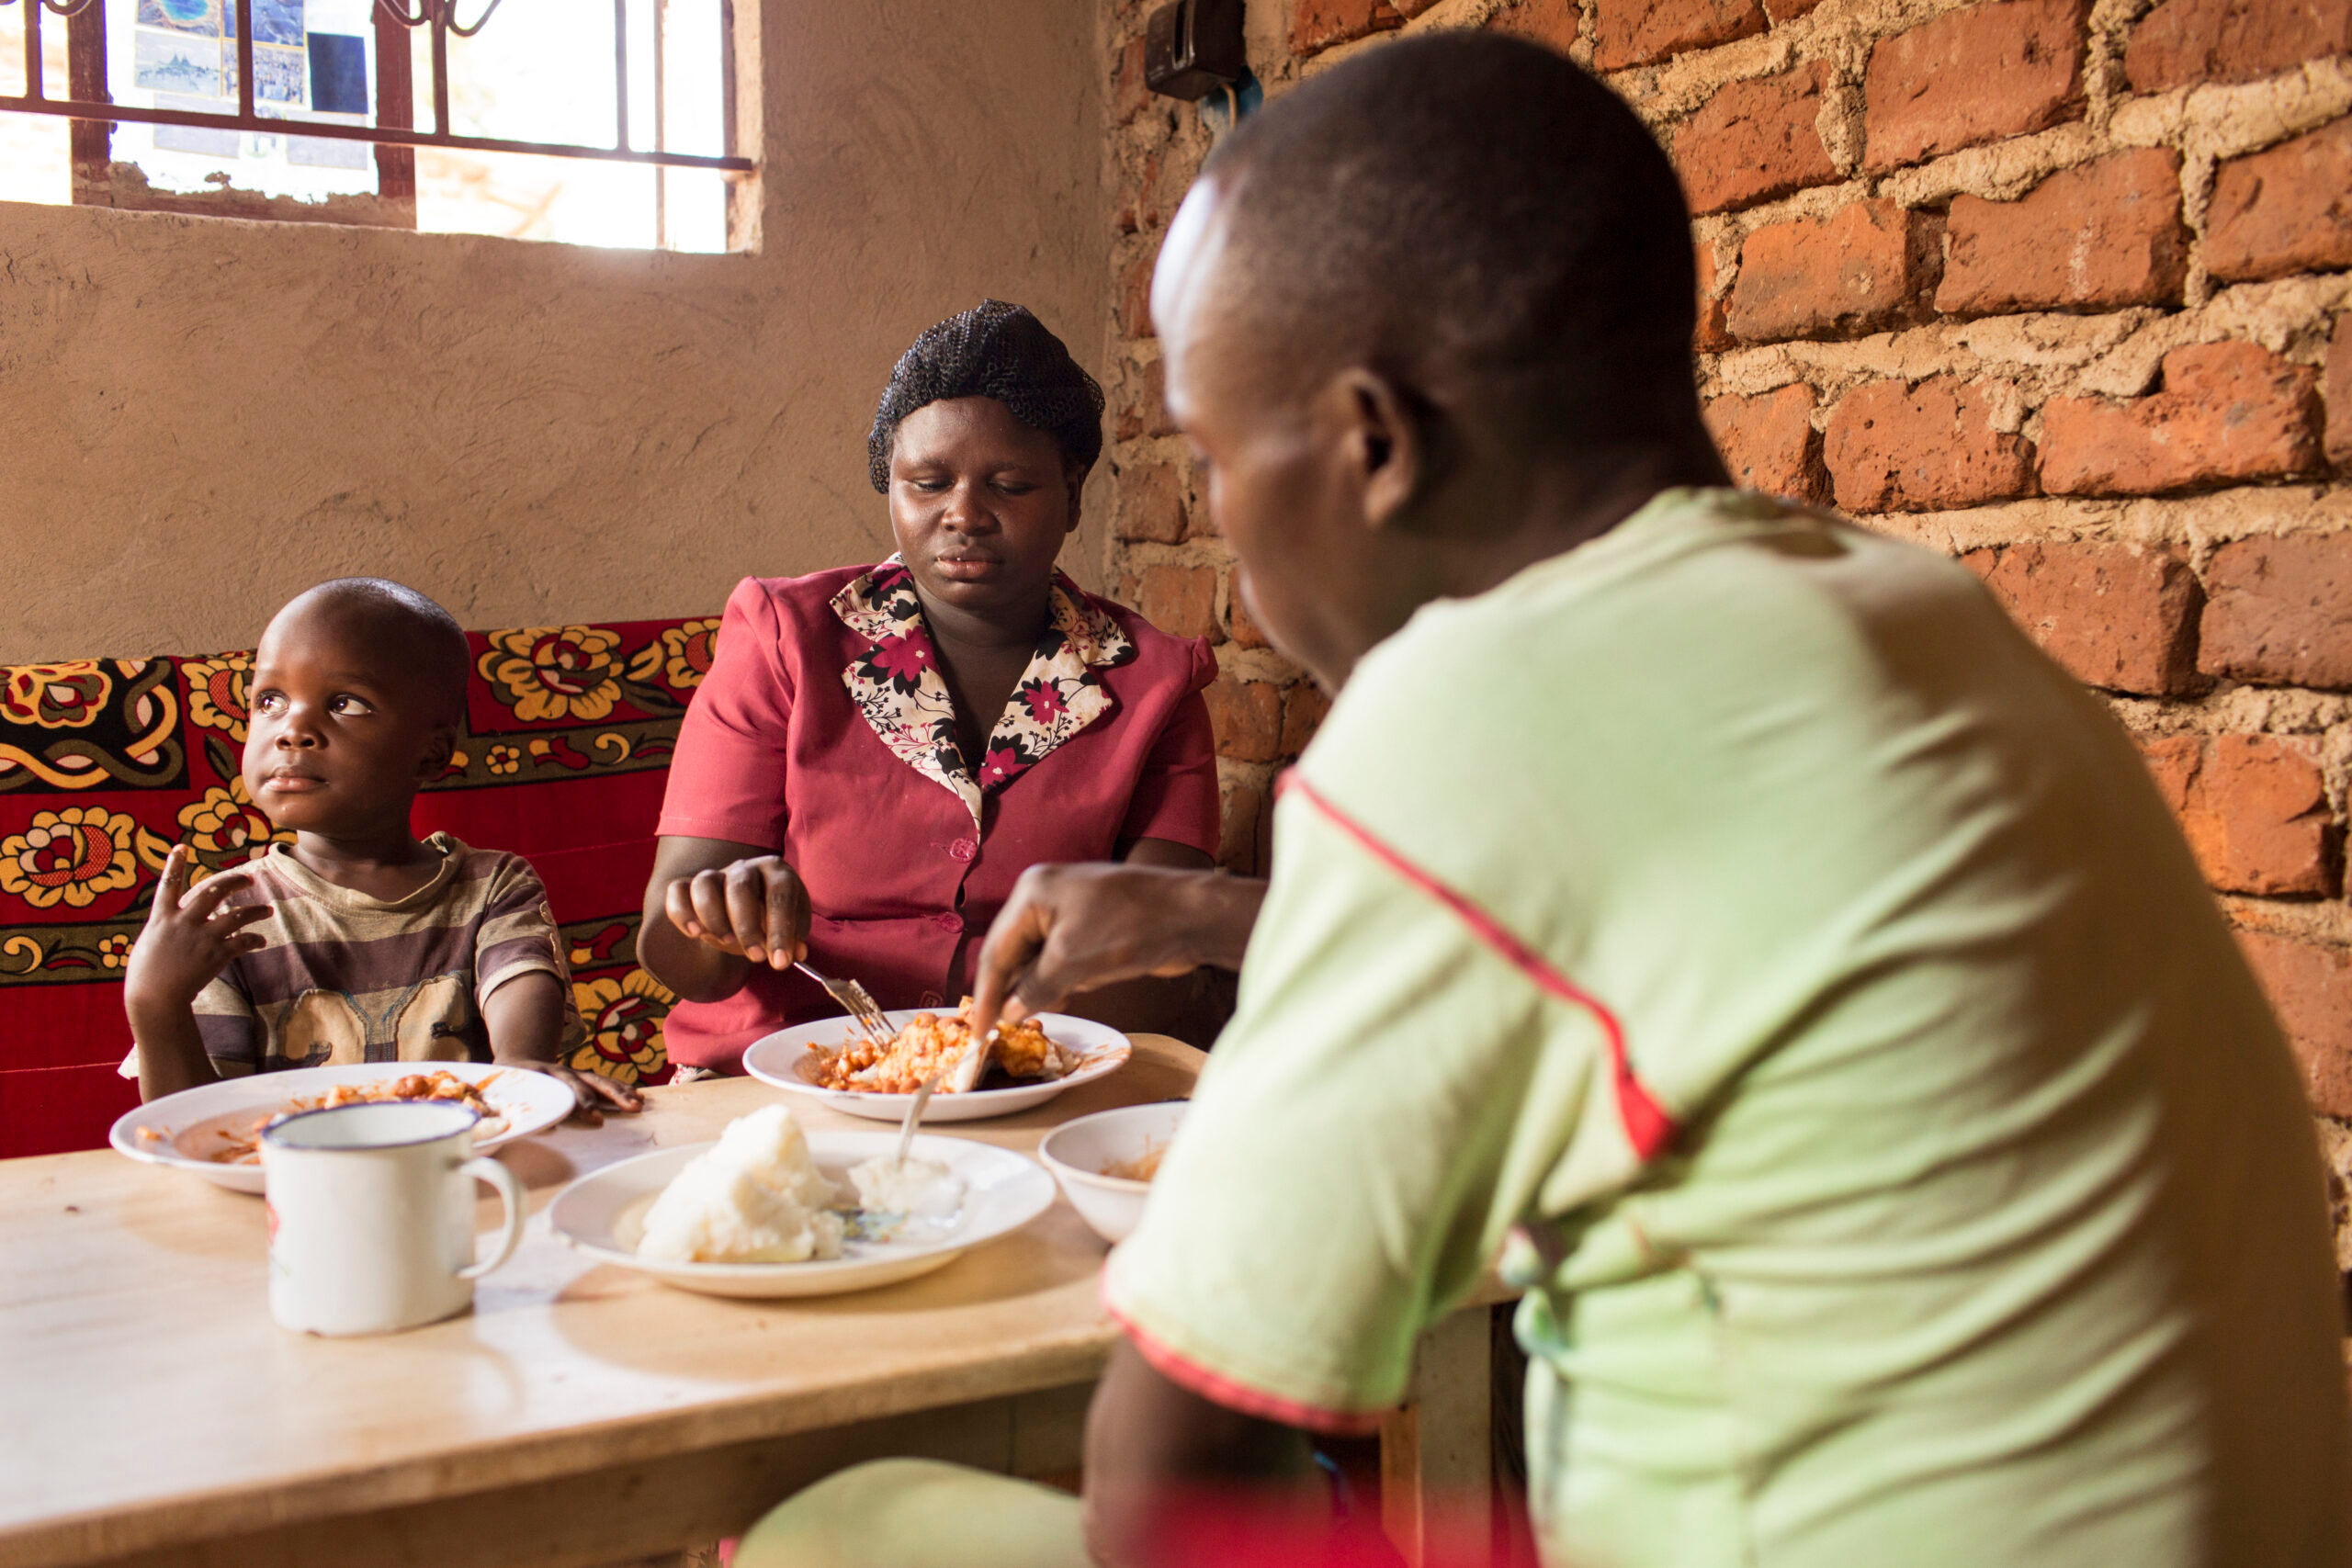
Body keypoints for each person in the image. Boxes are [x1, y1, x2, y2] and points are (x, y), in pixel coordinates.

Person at [739, 33, 2351, 1568]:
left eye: (1222, 456)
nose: (1224, 527)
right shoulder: (1919, 617)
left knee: (845, 1522)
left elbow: (1172, 1486)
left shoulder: (1472, 710)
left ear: (1373, 442)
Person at [637, 299, 1221, 1075]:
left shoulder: (1155, 685)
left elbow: (1162, 972)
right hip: (786, 1080)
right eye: (928, 482)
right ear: (892, 490)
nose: (965, 514)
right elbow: (681, 959)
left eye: (1010, 485)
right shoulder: (784, 638)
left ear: (1074, 495)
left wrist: (979, 1044)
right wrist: (717, 913)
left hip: (1043, 1080)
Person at [123, 578, 640, 1121]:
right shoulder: (227, 916)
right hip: (293, 1190)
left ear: (431, 752)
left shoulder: (492, 886)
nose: (293, 729)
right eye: (270, 700)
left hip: (466, 1171)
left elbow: (520, 982)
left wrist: (517, 1067)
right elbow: (191, 1123)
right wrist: (156, 1006)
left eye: (345, 703)